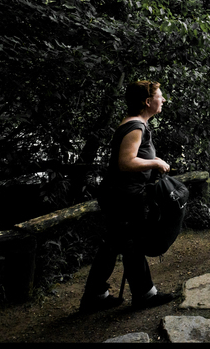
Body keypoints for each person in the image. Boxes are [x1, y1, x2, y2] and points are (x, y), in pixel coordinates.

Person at [80, 81, 176, 313]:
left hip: (118, 195)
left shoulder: (136, 124)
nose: (163, 100)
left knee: (113, 243)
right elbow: (126, 162)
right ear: (147, 101)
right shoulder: (136, 127)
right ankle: (144, 294)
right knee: (132, 242)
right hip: (123, 197)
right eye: (159, 96)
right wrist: (156, 162)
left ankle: (95, 295)